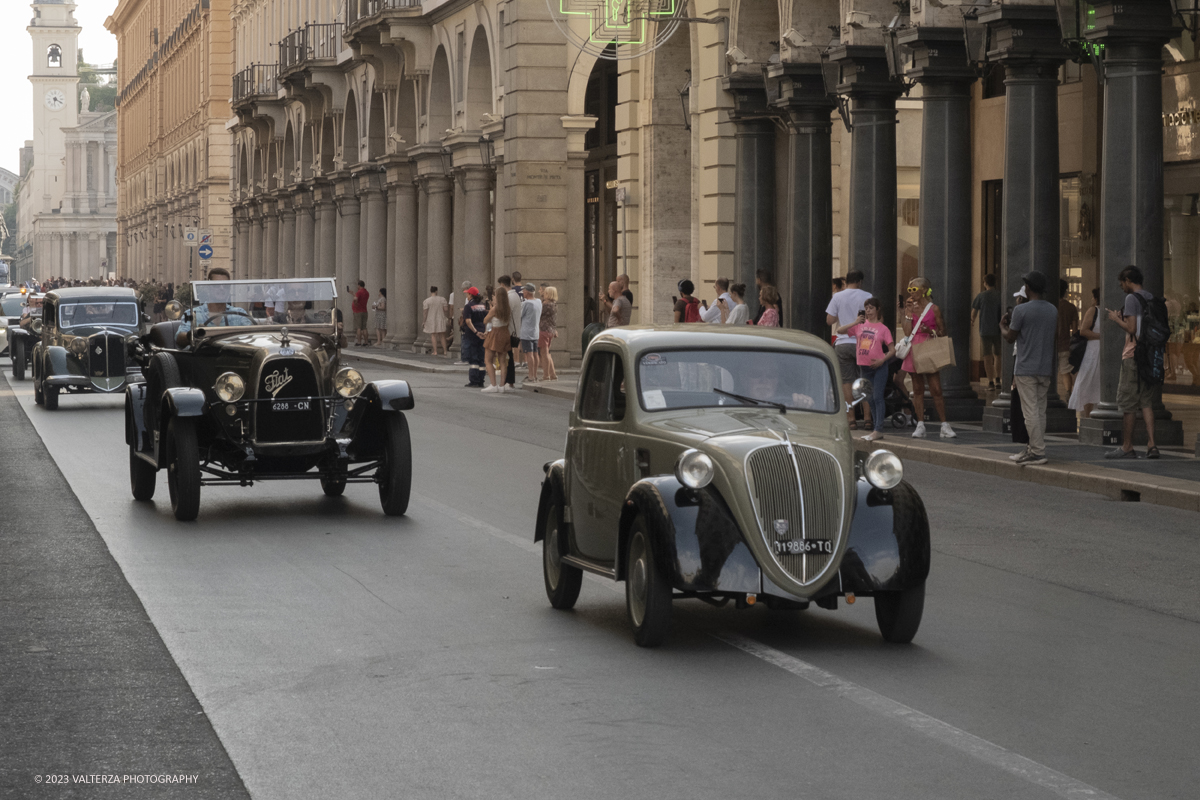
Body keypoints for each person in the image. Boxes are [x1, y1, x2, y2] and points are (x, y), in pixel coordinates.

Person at [1000, 271, 1058, 466]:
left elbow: (1010, 337)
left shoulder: (1021, 310)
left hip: (1025, 366)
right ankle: (1033, 447)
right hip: (1045, 366)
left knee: (1030, 411)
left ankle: (1037, 451)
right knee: (1040, 410)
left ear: (1029, 288)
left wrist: (1002, 328)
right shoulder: (1052, 310)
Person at [1105, 265, 1159, 459]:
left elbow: (1132, 328)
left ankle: (1127, 446)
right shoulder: (1151, 298)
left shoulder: (1131, 298)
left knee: (1128, 404)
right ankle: (1152, 444)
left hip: (1133, 356)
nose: (1122, 286)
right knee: (1146, 402)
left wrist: (1115, 319)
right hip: (1149, 356)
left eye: (1122, 282)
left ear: (1128, 280)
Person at [901, 277, 955, 439]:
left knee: (936, 389)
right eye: (909, 290)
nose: (911, 293)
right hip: (914, 349)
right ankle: (920, 424)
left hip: (929, 348)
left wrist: (929, 331)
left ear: (924, 290)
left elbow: (943, 332)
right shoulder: (909, 307)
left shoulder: (934, 309)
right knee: (917, 389)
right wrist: (908, 314)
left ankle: (944, 425)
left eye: (914, 289)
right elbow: (906, 331)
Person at [825, 269, 873, 428]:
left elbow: (829, 320)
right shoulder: (867, 296)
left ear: (846, 281)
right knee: (865, 380)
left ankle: (851, 419)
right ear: (860, 282)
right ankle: (867, 418)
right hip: (863, 342)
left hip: (843, 343)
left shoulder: (838, 296)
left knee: (846, 381)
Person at [176, 267, 253, 346]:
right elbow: (179, 338)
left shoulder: (239, 314)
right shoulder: (193, 313)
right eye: (216, 285)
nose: (221, 288)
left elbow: (251, 335)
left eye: (225, 286)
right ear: (208, 288)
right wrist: (195, 333)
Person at [1068, 288, 1101, 419]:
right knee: (1088, 382)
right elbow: (1083, 331)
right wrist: (1102, 336)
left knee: (1097, 383)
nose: (1092, 300)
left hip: (1098, 351)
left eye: (1093, 297)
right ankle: (1087, 416)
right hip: (1092, 351)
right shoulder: (1093, 311)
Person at [971, 273, 1002, 391]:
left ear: (985, 283)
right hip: (998, 329)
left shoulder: (981, 296)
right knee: (998, 355)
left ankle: (990, 381)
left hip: (985, 330)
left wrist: (972, 320)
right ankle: (998, 379)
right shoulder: (1000, 295)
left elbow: (974, 311)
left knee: (987, 356)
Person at [481, 283, 513, 394]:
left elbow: (485, 320)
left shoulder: (495, 309)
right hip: (505, 332)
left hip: (495, 333)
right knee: (503, 361)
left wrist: (491, 308)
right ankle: (502, 385)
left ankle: (493, 384)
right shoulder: (507, 308)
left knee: (488, 360)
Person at [1057, 279, 1080, 397]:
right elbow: (1075, 330)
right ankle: (1068, 395)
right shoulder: (1071, 307)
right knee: (1066, 372)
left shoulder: (1050, 306)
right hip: (1066, 345)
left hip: (1051, 345)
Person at [462, 287, 488, 388]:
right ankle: (481, 380)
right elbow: (486, 319)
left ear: (470, 295)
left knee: (473, 358)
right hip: (482, 332)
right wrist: (484, 332)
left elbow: (468, 321)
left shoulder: (468, 306)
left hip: (473, 334)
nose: (466, 296)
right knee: (481, 358)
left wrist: (476, 332)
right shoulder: (482, 305)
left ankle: (474, 380)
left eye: (467, 294)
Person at [519, 283, 542, 386]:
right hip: (535, 331)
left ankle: (531, 376)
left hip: (526, 331)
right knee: (535, 353)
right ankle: (535, 375)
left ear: (527, 292)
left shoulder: (526, 303)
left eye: (524, 291)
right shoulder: (538, 301)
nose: (523, 293)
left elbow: (519, 315)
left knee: (529, 353)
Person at [538, 285, 559, 381]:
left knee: (544, 353)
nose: (543, 294)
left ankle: (546, 375)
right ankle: (553, 374)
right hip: (550, 330)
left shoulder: (545, 305)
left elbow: (538, 314)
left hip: (543, 329)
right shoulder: (554, 304)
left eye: (545, 293)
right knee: (547, 353)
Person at [422, 286, 449, 356]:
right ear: (436, 291)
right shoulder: (442, 299)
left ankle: (435, 351)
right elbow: (446, 309)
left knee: (433, 335)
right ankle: (445, 351)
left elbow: (425, 312)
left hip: (431, 319)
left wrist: (424, 321)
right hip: (440, 318)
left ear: (430, 292)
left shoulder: (427, 301)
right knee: (442, 335)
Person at [351, 280, 370, 346]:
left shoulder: (359, 292)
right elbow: (360, 298)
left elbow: (356, 299)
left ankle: (359, 341)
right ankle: (366, 341)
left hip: (358, 311)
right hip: (364, 311)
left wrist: (355, 303)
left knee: (358, 327)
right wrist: (353, 294)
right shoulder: (366, 292)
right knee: (364, 327)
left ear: (359, 285)